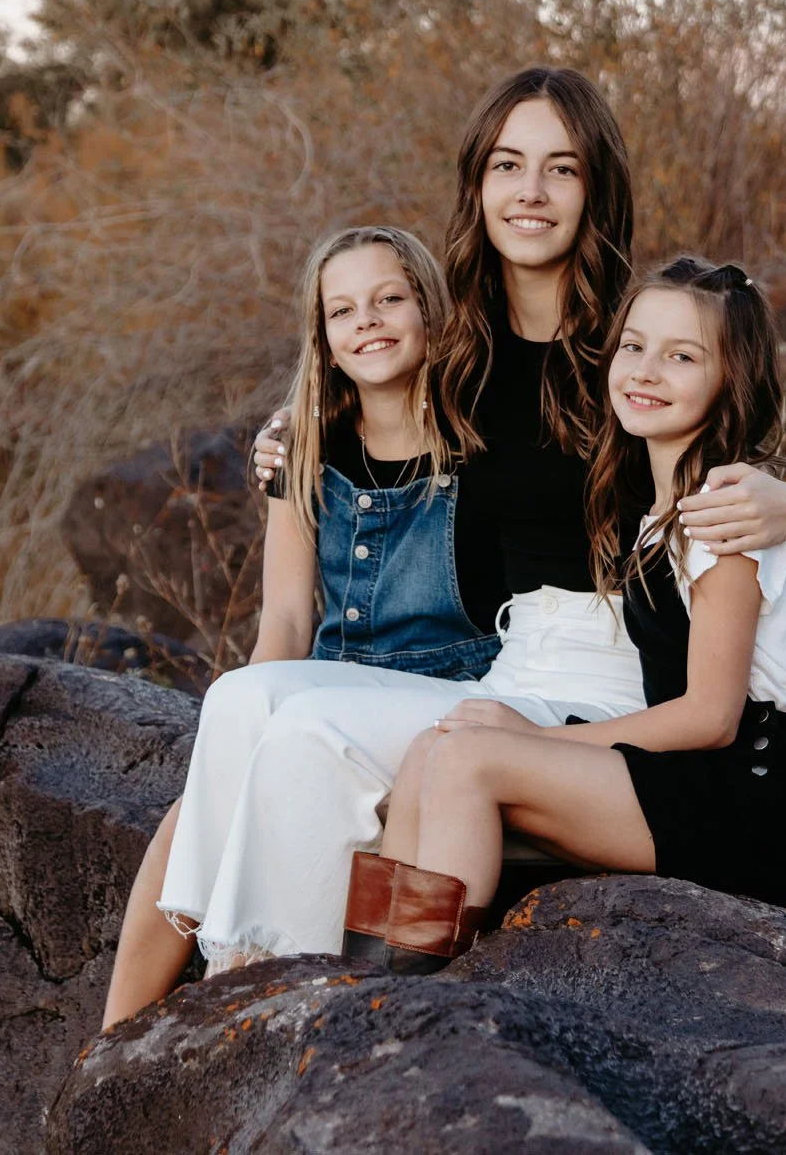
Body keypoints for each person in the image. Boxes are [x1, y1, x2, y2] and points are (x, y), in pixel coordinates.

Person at [157, 67, 786, 979]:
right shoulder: (458, 346)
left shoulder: (628, 345)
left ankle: (332, 997)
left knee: (321, 743)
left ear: (596, 186)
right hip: (513, 660)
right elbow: (365, 360)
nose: (531, 191)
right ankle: (245, 988)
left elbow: (760, 560)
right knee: (245, 702)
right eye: (509, 165)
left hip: (614, 675)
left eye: (561, 168)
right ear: (477, 183)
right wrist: (296, 436)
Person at [359, 259, 786, 971]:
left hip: (761, 800)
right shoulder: (658, 508)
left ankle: (418, 987)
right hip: (700, 780)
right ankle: (372, 971)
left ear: (730, 380)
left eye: (681, 356)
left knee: (469, 758)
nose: (647, 370)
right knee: (437, 745)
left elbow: (712, 718)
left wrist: (543, 739)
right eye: (633, 346)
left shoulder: (724, 514)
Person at [97, 224, 503, 1028]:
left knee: (296, 779)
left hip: (446, 690)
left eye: (390, 299)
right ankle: (112, 1048)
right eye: (343, 311)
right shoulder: (306, 442)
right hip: (331, 677)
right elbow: (284, 619)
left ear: (427, 308)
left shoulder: (482, 439)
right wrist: (234, 738)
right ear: (321, 336)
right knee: (193, 818)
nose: (370, 323)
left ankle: (267, 1006)